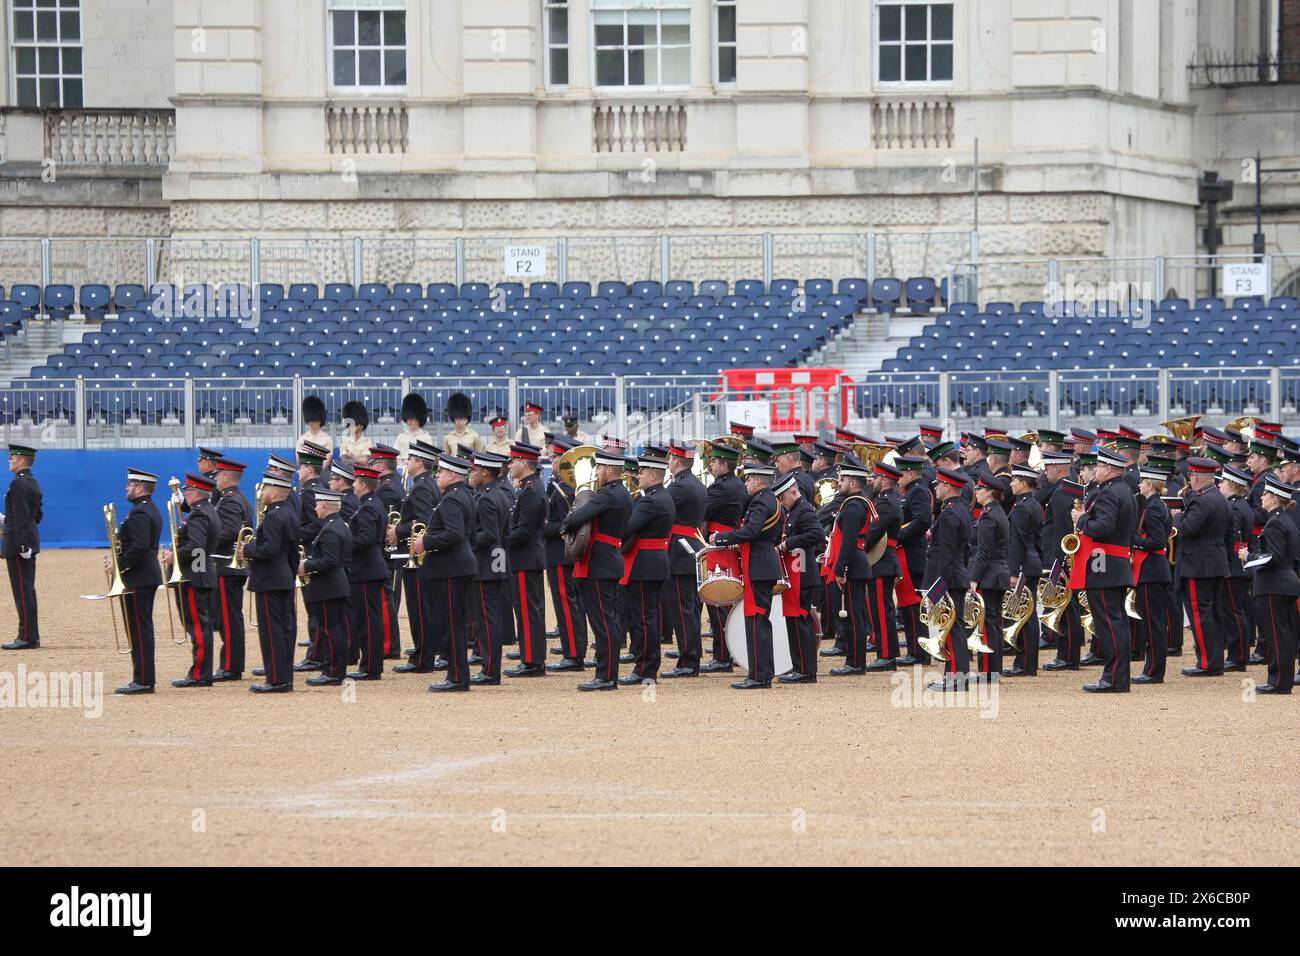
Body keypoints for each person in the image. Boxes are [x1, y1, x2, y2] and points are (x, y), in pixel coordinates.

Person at [561, 447, 632, 691]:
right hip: (608, 560)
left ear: (610, 469)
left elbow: (573, 519)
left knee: (602, 623)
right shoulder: (621, 493)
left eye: (600, 468)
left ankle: (605, 676)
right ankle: (606, 673)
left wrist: (581, 496)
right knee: (607, 621)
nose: (597, 472)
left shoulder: (608, 495)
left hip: (599, 564)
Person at [1072, 447, 1139, 693]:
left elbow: (1103, 527)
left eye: (1098, 467)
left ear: (1108, 469)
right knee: (1116, 622)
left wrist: (1081, 519)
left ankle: (1113, 678)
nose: (1095, 470)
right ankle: (1117, 676)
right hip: (1114, 563)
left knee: (1109, 624)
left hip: (1104, 565)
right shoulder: (1124, 490)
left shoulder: (1110, 493)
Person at [711, 460, 782, 690]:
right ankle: (762, 673)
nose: (746, 483)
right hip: (762, 564)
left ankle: (759, 676)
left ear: (759, 481)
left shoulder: (761, 501)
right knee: (758, 620)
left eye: (749, 479)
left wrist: (722, 538)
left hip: (759, 566)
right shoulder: (769, 499)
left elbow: (751, 531)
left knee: (756, 621)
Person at [412, 453, 479, 692]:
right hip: (456, 566)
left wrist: (426, 541)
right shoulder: (462, 495)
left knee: (452, 625)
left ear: (452, 475)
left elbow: (454, 533)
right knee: (454, 624)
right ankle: (457, 674)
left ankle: (458, 677)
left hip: (451, 568)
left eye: (440, 472)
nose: (436, 475)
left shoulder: (452, 499)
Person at [618, 446, 676, 684]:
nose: (637, 475)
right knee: (646, 617)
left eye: (641, 472)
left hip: (645, 565)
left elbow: (626, 528)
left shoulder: (651, 501)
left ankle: (645, 668)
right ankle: (646, 663)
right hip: (652, 563)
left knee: (644, 619)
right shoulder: (660, 496)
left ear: (653, 475)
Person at [238, 473, 300, 693]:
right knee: (283, 629)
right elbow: (293, 552)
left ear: (273, 492)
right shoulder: (289, 514)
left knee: (271, 632)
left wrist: (246, 550)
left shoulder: (273, 516)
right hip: (283, 577)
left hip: (270, 579)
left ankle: (276, 679)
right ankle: (284, 677)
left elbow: (269, 549)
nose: (262, 493)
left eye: (264, 490)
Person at [1241, 476, 1300, 694]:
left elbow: (1272, 556)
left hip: (1274, 586)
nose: (1262, 497)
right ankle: (1279, 680)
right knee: (1282, 636)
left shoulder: (1276, 522)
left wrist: (1249, 557)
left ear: (1274, 498)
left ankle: (1278, 682)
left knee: (1278, 636)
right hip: (1282, 584)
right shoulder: (1285, 520)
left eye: (1265, 494)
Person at [162, 473, 221, 687]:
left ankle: (200, 673)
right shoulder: (207, 511)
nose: (184, 495)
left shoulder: (199, 515)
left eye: (186, 491)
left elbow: (196, 547)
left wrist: (173, 556)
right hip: (199, 573)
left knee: (197, 626)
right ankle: (201, 672)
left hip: (195, 577)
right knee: (199, 626)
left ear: (195, 493)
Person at [1176, 457, 1232, 677]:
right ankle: (1214, 659)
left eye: (1191, 475)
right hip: (1216, 562)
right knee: (1214, 613)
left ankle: (1207, 662)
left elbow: (1187, 529)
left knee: (1200, 615)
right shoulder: (1220, 498)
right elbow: (1230, 534)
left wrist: (1177, 516)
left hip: (1197, 564)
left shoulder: (1201, 501)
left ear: (1196, 477)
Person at [111, 468, 163, 695]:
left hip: (139, 577)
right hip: (141, 575)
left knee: (139, 629)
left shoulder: (141, 513)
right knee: (139, 628)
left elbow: (139, 546)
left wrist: (119, 564)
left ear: (140, 487)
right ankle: (142, 677)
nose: (127, 488)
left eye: (130, 485)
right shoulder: (145, 509)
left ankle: (143, 679)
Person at [391, 441, 441, 673]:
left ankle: (423, 657)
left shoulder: (421, 487)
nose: (406, 462)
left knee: (419, 608)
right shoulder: (426, 484)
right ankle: (425, 652)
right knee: (424, 607)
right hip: (421, 555)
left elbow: (421, 521)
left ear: (419, 463)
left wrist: (397, 531)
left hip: (417, 556)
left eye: (410, 459)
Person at [922, 467, 973, 691]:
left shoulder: (950, 513)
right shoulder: (959, 509)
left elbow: (947, 553)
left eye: (939, 485)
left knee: (952, 629)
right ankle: (954, 676)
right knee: (953, 628)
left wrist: (938, 586)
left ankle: (956, 678)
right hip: (957, 574)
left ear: (948, 486)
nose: (936, 488)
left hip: (949, 578)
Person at [660, 441, 707, 678]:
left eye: (669, 459)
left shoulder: (679, 487)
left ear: (677, 461)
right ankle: (691, 656)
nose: (668, 462)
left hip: (680, 552)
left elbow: (659, 508)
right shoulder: (694, 483)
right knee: (688, 609)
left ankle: (688, 661)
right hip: (689, 549)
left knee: (682, 610)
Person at [824, 453, 873, 677]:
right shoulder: (854, 504)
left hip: (853, 564)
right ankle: (854, 660)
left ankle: (855, 663)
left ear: (853, 482)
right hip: (855, 563)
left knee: (854, 618)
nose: (839, 483)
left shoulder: (853, 507)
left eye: (842, 479)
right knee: (854, 616)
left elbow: (849, 543)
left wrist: (840, 569)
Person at [700, 442, 748, 673]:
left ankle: (722, 656)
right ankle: (725, 652)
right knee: (722, 602)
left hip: (719, 546)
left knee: (718, 601)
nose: (710, 465)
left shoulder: (722, 488)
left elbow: (702, 509)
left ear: (723, 464)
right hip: (725, 544)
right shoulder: (734, 484)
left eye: (713, 461)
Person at [466, 451, 512, 683]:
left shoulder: (486, 498)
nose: (471, 473)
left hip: (486, 565)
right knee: (490, 617)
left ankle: (490, 670)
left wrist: (467, 539)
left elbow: (490, 535)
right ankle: (489, 667)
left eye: (475, 469)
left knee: (487, 619)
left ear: (485, 472)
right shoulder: (498, 494)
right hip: (496, 561)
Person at [299, 489, 353, 686]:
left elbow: (330, 560)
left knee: (331, 630)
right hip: (335, 585)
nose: (314, 508)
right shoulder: (340, 525)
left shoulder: (330, 529)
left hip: (328, 586)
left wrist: (307, 565)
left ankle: (332, 672)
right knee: (335, 628)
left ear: (324, 506)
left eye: (316, 505)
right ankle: (334, 670)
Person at [544, 436, 587, 672]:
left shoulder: (566, 488)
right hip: (558, 553)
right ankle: (573, 648)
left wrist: (543, 527)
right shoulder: (559, 484)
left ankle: (573, 654)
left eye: (555, 457)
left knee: (567, 603)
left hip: (561, 553)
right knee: (569, 604)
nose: (552, 461)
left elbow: (565, 524)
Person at [775, 471, 822, 683]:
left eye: (782, 498)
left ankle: (805, 670)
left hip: (803, 572)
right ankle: (800, 667)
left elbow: (817, 534)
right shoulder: (794, 510)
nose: (781, 503)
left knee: (800, 621)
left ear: (792, 492)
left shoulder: (803, 510)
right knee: (795, 620)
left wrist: (789, 544)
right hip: (797, 570)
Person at [505, 442, 548, 677]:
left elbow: (524, 531)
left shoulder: (531, 491)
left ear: (523, 463)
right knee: (528, 611)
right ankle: (532, 657)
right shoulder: (530, 487)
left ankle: (532, 660)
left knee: (527, 611)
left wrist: (502, 540)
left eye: (513, 461)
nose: (510, 465)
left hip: (525, 558)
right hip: (527, 558)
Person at [347, 465, 393, 679]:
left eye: (355, 481)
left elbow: (365, 539)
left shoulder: (367, 507)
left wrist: (344, 542)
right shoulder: (373, 503)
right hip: (370, 567)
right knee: (369, 619)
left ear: (363, 484)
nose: (353, 485)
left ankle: (371, 667)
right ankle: (370, 664)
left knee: (368, 621)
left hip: (366, 568)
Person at [210, 457, 252, 682]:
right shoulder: (236, 498)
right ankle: (230, 664)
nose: (215, 478)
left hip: (227, 566)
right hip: (229, 566)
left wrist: (206, 536)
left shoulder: (230, 501)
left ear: (227, 477)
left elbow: (231, 531)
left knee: (229, 619)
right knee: (229, 617)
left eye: (218, 474)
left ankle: (231, 666)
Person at [1131, 464, 1173, 685]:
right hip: (1153, 569)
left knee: (1153, 624)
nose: (1139, 485)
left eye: (1142, 482)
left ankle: (1154, 671)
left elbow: (1157, 541)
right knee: (1152, 623)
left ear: (1150, 485)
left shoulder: (1154, 508)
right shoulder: (1156, 505)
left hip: (1152, 570)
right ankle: (1152, 668)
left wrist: (1133, 541)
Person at [1003, 464, 1045, 677]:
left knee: (1024, 615)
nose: (1011, 484)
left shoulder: (1021, 507)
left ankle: (1025, 663)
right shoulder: (1034, 504)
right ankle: (1027, 662)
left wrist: (1014, 571)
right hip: (1032, 563)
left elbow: (1017, 541)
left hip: (1023, 566)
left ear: (1024, 483)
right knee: (1027, 614)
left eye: (1014, 480)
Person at [969, 473, 1011, 679]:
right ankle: (994, 669)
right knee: (993, 624)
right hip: (998, 573)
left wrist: (974, 579)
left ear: (988, 492)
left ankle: (987, 671)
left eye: (979, 489)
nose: (976, 492)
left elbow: (983, 552)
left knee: (986, 624)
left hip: (988, 575)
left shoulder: (988, 516)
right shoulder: (998, 512)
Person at [864, 461, 904, 671]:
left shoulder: (887, 503)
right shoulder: (882, 500)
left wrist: (857, 546)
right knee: (877, 609)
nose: (873, 481)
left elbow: (873, 533)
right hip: (880, 561)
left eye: (876, 478)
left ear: (886, 480)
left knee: (882, 610)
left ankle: (887, 656)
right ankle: (884, 652)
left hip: (882, 561)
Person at [2, 443, 42, 650]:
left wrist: (22, 544)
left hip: (19, 544)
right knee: (26, 589)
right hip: (26, 539)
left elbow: (22, 517)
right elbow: (36, 515)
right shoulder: (32, 482)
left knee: (22, 590)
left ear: (21, 460)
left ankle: (27, 636)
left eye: (12, 458)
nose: (9, 460)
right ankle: (29, 634)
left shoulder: (18, 484)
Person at [893, 454, 932, 665]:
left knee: (913, 605)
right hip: (906, 553)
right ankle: (915, 649)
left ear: (909, 473)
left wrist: (898, 537)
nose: (897, 478)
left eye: (900, 474)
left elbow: (922, 520)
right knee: (908, 606)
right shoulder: (909, 491)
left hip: (911, 554)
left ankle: (919, 652)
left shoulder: (917, 491)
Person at [1219, 464, 1256, 671]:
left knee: (1234, 611)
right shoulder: (1241, 504)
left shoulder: (1234, 507)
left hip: (1234, 563)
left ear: (1232, 485)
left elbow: (1230, 537)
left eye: (1223, 482)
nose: (1220, 485)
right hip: (1238, 562)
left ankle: (1238, 656)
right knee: (1236, 610)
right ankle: (1238, 654)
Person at [394, 392, 433, 471]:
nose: (409, 422)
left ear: (418, 417)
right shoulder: (401, 437)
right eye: (407, 418)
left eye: (412, 418)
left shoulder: (426, 437)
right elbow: (395, 456)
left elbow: (430, 459)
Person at [443, 392, 482, 456]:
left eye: (461, 417)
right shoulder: (448, 438)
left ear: (466, 418)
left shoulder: (475, 436)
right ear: (453, 418)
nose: (459, 420)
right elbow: (445, 458)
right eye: (457, 418)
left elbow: (480, 457)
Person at [338, 400, 372, 467]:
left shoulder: (367, 442)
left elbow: (365, 461)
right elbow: (343, 460)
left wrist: (350, 457)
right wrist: (358, 460)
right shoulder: (345, 441)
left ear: (361, 425)